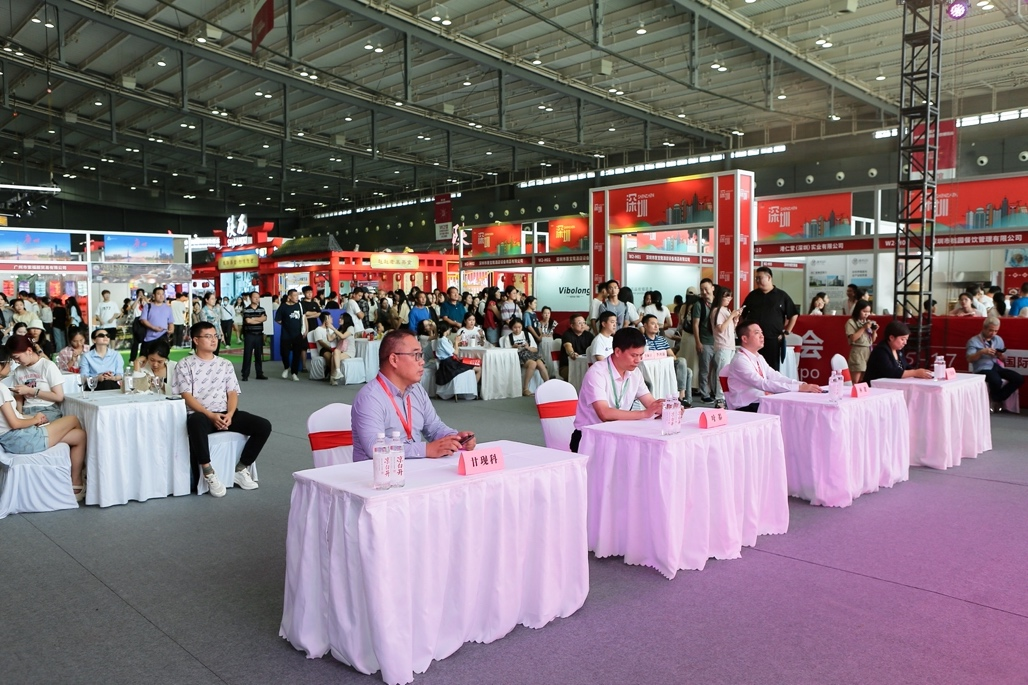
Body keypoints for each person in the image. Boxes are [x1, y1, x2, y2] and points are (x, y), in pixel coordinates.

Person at [173, 322, 271, 497]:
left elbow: (232, 392)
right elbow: (186, 395)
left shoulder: (225, 364)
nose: (213, 340)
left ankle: (241, 468)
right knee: (195, 422)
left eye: (215, 336)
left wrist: (231, 414)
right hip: (201, 414)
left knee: (263, 426)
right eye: (208, 336)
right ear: (196, 340)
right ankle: (208, 472)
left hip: (226, 413)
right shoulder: (185, 364)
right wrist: (210, 415)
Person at [351, 329, 476, 461]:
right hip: (379, 471)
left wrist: (456, 438)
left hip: (414, 468)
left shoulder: (417, 390)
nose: (422, 362)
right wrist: (425, 450)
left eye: (421, 355)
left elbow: (434, 428)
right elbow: (375, 446)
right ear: (394, 359)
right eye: (416, 355)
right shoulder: (370, 398)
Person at [0, 347, 87, 501]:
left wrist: (32, 419)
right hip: (20, 439)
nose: (12, 364)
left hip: (13, 438)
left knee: (79, 436)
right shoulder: (1, 389)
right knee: (73, 419)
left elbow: (12, 418)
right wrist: (35, 420)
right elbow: (14, 423)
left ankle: (75, 481)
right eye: (9, 361)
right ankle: (77, 478)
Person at [569, 327, 664, 453]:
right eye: (634, 355)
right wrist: (644, 413)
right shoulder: (597, 373)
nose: (638, 360)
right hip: (590, 437)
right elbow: (604, 414)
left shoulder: (635, 372)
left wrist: (667, 408)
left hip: (618, 433)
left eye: (641, 355)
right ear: (618, 351)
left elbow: (650, 403)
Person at [725, 322, 821, 411]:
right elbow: (762, 384)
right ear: (744, 339)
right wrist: (798, 388)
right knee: (793, 409)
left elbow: (775, 376)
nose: (762, 336)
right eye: (757, 333)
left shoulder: (758, 357)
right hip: (746, 406)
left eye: (762, 332)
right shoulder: (740, 360)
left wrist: (800, 384)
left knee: (796, 406)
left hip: (760, 402)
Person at [740, 266, 798, 372]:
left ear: (769, 278)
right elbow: (742, 315)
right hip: (753, 339)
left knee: (771, 369)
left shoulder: (781, 296)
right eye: (756, 278)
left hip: (773, 339)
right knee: (753, 368)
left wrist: (787, 332)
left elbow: (793, 314)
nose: (757, 281)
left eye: (760, 278)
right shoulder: (753, 295)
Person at [966, 318, 1024, 410]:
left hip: (996, 366)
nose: (993, 333)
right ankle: (997, 400)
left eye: (996, 331)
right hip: (982, 368)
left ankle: (997, 398)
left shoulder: (998, 339)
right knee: (996, 380)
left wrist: (1000, 355)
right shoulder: (973, 341)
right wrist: (981, 352)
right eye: (991, 330)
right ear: (984, 328)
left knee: (1018, 378)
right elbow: (969, 359)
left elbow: (1003, 359)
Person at [7, 335, 67, 422]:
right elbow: (18, 397)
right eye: (13, 359)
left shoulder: (48, 366)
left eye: (17, 357)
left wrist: (30, 391)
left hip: (47, 409)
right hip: (26, 410)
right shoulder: (18, 371)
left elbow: (59, 397)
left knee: (32, 425)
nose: (16, 361)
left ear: (29, 350)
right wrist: (19, 415)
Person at [642, 314, 691, 408]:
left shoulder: (661, 339)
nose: (656, 326)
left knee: (686, 368)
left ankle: (684, 397)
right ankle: (682, 397)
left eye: (657, 324)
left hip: (666, 366)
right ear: (645, 325)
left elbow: (672, 355)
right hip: (653, 368)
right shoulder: (642, 340)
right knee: (686, 369)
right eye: (653, 324)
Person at [863, 320, 933, 385]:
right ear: (891, 337)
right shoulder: (881, 351)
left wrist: (920, 372)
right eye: (902, 339)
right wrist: (915, 373)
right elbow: (891, 372)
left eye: (906, 339)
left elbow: (906, 367)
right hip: (875, 387)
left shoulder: (898, 350)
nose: (905, 343)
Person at [501, 317, 550, 395]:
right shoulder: (508, 338)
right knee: (533, 364)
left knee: (540, 364)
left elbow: (535, 349)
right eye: (515, 328)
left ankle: (548, 385)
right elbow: (507, 353)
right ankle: (525, 388)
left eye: (519, 327)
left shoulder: (527, 334)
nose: (517, 330)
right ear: (511, 328)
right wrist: (514, 348)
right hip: (519, 356)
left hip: (531, 353)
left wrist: (528, 347)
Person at [711, 286, 741, 410]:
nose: (729, 299)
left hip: (730, 345)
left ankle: (726, 397)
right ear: (720, 297)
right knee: (722, 373)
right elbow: (721, 328)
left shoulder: (726, 310)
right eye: (726, 296)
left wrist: (735, 319)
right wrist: (731, 316)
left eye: (730, 296)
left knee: (728, 373)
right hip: (722, 346)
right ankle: (719, 398)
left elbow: (730, 329)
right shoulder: (717, 310)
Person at [692, 278, 716, 403]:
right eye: (702, 290)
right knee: (705, 369)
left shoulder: (718, 302)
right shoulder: (699, 304)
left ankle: (715, 392)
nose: (704, 292)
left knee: (717, 369)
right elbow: (695, 324)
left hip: (718, 342)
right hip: (705, 341)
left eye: (706, 289)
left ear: (712, 288)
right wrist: (698, 342)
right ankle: (704, 393)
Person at [275, 289, 306, 381]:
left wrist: (306, 330)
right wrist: (286, 324)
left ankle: (294, 373)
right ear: (289, 297)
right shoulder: (283, 307)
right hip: (286, 334)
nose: (297, 297)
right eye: (295, 295)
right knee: (284, 353)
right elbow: (278, 319)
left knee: (297, 354)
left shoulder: (299, 305)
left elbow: (304, 318)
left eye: (297, 295)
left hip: (298, 334)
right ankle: (286, 367)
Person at [845, 301, 877, 384]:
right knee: (855, 380)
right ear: (858, 310)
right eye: (864, 311)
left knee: (864, 379)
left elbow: (872, 340)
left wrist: (874, 331)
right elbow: (853, 338)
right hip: (858, 352)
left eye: (868, 312)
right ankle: (854, 391)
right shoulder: (851, 322)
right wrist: (863, 328)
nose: (866, 314)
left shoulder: (868, 322)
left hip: (868, 351)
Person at [241, 291, 268, 381]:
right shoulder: (246, 309)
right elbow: (248, 321)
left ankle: (259, 374)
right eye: (255, 297)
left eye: (258, 297)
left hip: (259, 335)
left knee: (258, 355)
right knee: (247, 355)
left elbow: (265, 318)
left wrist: (253, 319)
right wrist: (259, 319)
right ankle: (245, 374)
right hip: (249, 335)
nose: (257, 299)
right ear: (250, 298)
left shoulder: (262, 309)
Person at [140, 287, 175, 356]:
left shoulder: (168, 308)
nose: (161, 296)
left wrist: (171, 330)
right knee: (145, 357)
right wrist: (154, 328)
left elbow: (171, 322)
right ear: (154, 295)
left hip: (163, 336)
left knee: (162, 356)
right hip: (149, 338)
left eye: (163, 294)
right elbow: (143, 320)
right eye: (158, 294)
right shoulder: (148, 306)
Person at [559, 314, 594, 381]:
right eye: (579, 323)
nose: (582, 325)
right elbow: (568, 346)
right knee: (578, 374)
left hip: (585, 365)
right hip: (568, 366)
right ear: (572, 325)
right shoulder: (567, 334)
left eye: (584, 323)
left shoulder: (589, 335)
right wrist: (572, 353)